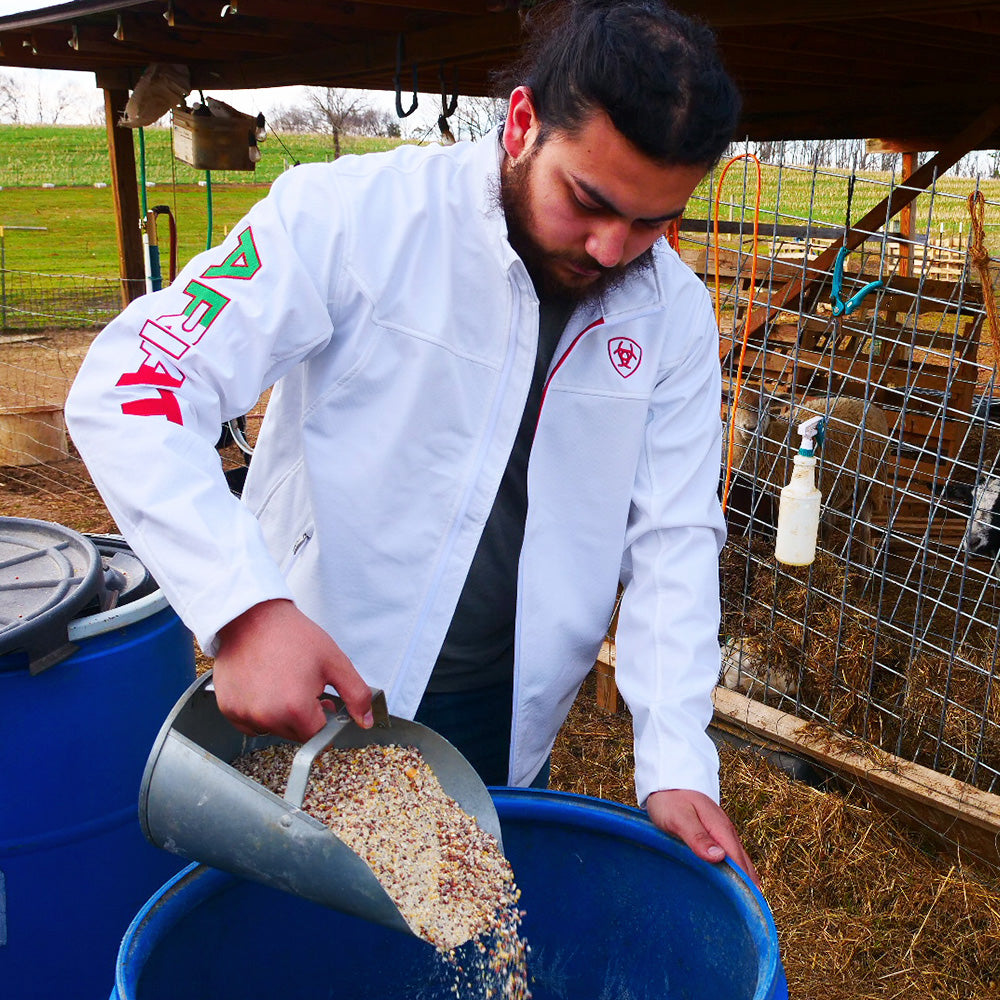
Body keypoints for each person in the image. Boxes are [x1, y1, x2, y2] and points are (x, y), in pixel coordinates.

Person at [66, 0, 758, 884]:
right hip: (315, 700)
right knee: (301, 941)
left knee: (467, 929)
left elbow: (673, 537)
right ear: (521, 124)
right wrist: (242, 610)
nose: (613, 247)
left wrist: (676, 760)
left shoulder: (673, 315)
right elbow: (136, 381)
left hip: (509, 718)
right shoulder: (354, 217)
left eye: (655, 222)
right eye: (588, 201)